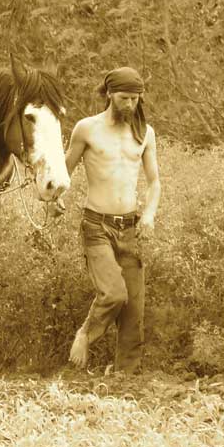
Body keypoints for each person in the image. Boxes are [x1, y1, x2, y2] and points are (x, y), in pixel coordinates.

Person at [63, 67, 161, 373]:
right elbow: (63, 172)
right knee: (114, 293)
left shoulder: (145, 133)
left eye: (135, 99)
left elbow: (155, 182)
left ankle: (124, 381)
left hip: (130, 229)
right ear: (108, 94)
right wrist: (54, 200)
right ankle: (85, 334)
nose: (130, 105)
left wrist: (149, 215)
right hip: (96, 227)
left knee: (134, 312)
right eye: (124, 98)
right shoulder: (86, 129)